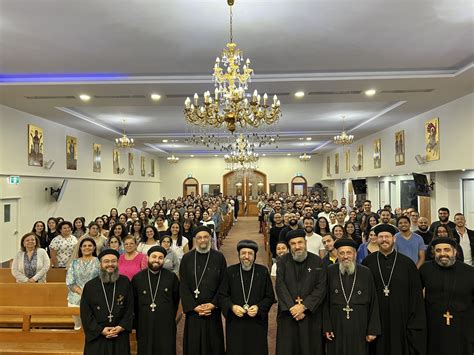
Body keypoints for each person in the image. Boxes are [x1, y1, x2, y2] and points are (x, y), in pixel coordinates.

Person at [362, 224, 426, 355]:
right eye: (381, 237)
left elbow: (416, 295)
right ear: (376, 239)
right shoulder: (368, 262)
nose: (384, 240)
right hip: (376, 319)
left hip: (401, 319)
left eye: (387, 237)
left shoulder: (407, 264)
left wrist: (413, 323)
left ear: (394, 239)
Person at [323, 239, 381, 355]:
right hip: (336, 324)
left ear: (355, 254)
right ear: (337, 255)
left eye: (349, 252)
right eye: (341, 253)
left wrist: (373, 329)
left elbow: (374, 301)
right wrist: (326, 326)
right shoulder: (330, 271)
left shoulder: (366, 272)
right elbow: (325, 301)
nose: (345, 256)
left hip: (360, 324)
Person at [218, 240, 275, 355]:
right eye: (243, 253)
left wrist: (259, 307)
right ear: (239, 255)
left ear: (254, 256)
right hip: (236, 322)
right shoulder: (230, 272)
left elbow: (270, 297)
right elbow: (222, 295)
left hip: (257, 323)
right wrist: (232, 307)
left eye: (250, 253)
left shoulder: (263, 271)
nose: (246, 257)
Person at [275, 229, 327, 355]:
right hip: (288, 314)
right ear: (289, 246)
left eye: (300, 242)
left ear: (306, 242)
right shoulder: (282, 261)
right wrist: (293, 308)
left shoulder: (317, 261)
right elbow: (280, 286)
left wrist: (303, 306)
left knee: (310, 348)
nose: (297, 247)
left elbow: (321, 287)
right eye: (293, 244)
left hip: (310, 314)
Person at [420, 237, 474, 355]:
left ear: (455, 252)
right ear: (434, 253)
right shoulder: (425, 270)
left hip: (462, 326)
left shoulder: (469, 272)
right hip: (433, 326)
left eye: (447, 250)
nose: (443, 254)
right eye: (438, 251)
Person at [179, 226, 227, 355]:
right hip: (194, 311)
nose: (203, 240)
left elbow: (223, 284)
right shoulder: (187, 258)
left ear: (210, 239)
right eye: (199, 238)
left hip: (212, 310)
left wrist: (213, 304)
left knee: (213, 344)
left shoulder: (219, 257)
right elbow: (183, 284)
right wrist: (194, 307)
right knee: (194, 344)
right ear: (195, 240)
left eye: (206, 237)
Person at [80, 249, 134, 355]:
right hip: (97, 337)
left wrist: (121, 326)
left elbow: (130, 307)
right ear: (100, 264)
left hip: (119, 335)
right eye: (106, 261)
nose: (110, 264)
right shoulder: (90, 286)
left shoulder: (125, 282)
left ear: (118, 263)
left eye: (113, 261)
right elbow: (85, 313)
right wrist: (100, 330)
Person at [132, 245, 180, 355]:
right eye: (154, 257)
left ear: (163, 260)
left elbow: (176, 299)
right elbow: (134, 302)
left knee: (166, 348)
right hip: (144, 322)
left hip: (166, 322)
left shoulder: (171, 277)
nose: (156, 260)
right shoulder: (138, 278)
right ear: (148, 258)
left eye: (160, 258)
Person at [66, 237, 100, 330]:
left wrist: (90, 293)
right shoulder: (74, 263)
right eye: (84, 246)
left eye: (90, 245)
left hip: (95, 298)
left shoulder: (99, 262)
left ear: (94, 248)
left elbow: (102, 280)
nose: (87, 248)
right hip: (75, 298)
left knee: (93, 326)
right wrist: (82, 292)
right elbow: (70, 282)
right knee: (78, 326)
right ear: (80, 248)